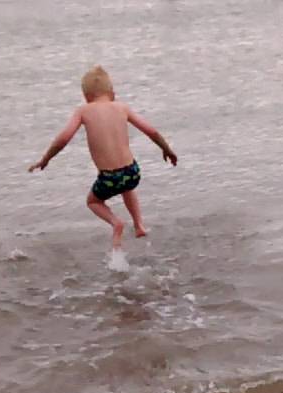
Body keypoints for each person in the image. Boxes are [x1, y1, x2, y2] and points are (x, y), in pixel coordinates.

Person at [28, 66, 178, 263]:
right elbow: (152, 131)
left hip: (108, 178)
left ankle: (116, 223)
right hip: (132, 172)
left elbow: (63, 139)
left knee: (93, 201)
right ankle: (139, 225)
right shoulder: (122, 107)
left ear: (86, 96)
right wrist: (166, 149)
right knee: (127, 187)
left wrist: (45, 159)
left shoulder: (83, 111)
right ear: (112, 93)